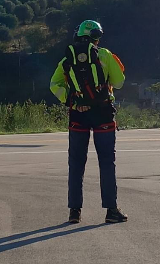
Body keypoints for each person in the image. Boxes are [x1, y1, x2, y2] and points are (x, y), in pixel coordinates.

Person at [50, 19, 127, 224]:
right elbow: (119, 82)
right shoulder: (105, 55)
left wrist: (71, 100)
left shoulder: (68, 58)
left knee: (76, 163)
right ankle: (111, 210)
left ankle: (74, 211)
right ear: (96, 37)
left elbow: (54, 84)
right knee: (106, 163)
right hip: (102, 113)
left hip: (78, 114)